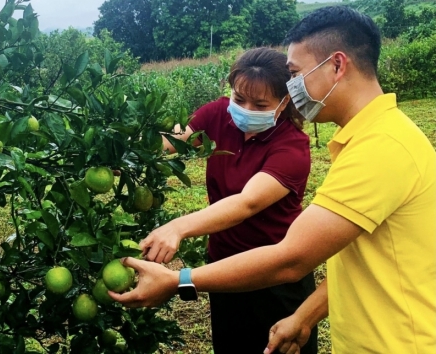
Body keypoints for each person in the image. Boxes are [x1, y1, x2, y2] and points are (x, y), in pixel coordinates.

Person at [110, 6, 436, 354]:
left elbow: (291, 258)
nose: (293, 86)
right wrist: (307, 315)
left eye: (295, 74)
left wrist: (179, 280)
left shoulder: (381, 148)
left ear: (337, 66)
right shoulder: (370, 138)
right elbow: (358, 260)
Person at [138, 47, 318, 353]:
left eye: (260, 104)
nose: (245, 108)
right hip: (222, 268)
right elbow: (171, 142)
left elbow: (246, 203)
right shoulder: (217, 115)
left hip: (274, 274)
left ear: (284, 102)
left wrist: (178, 227)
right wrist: (118, 154)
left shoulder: (292, 147)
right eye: (239, 99)